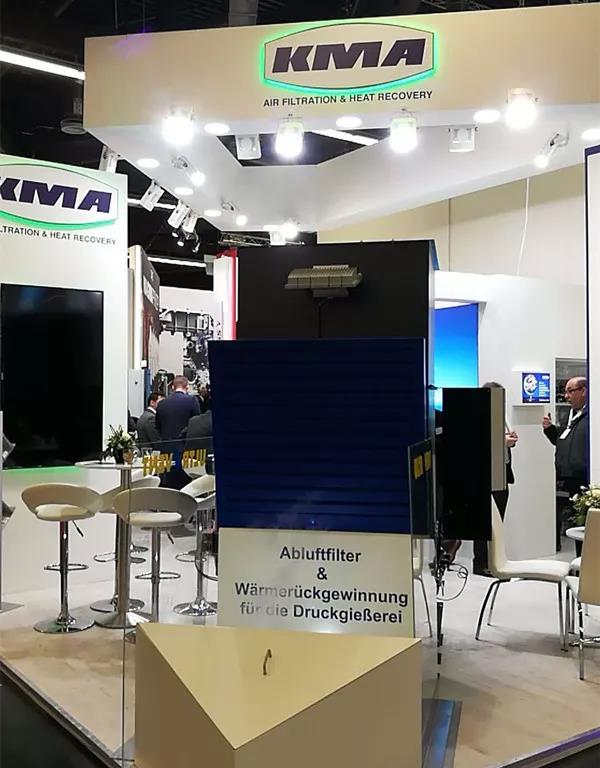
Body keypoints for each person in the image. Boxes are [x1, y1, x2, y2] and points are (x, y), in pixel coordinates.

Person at [473, 381, 518, 576]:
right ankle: (481, 563)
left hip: (502, 477)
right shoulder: (476, 418)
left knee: (497, 523)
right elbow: (477, 446)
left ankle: (494, 561)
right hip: (485, 478)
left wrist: (509, 442)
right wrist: (502, 442)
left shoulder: (500, 417)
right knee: (484, 523)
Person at [543, 377, 589, 551]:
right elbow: (562, 440)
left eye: (570, 391)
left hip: (582, 481)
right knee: (570, 521)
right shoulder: (570, 416)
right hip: (564, 480)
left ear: (583, 391)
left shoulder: (591, 416)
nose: (566, 396)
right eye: (565, 392)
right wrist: (550, 430)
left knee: (582, 524)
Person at [155, 375, 200, 488]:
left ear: (172, 387)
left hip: (166, 451)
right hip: (186, 451)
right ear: (187, 387)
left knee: (168, 486)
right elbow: (196, 425)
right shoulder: (192, 401)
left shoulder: (162, 404)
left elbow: (158, 427)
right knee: (186, 487)